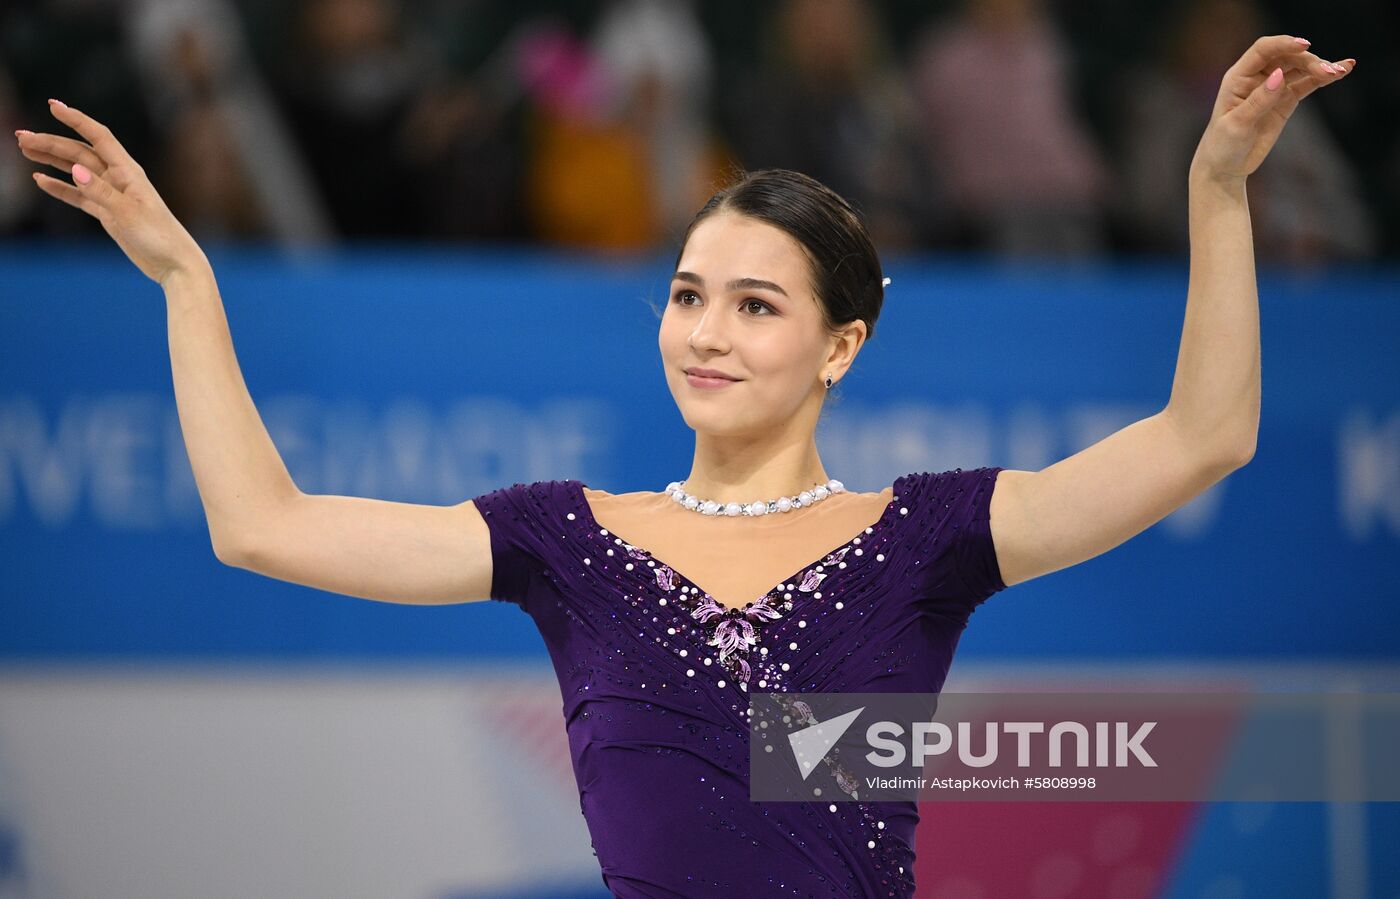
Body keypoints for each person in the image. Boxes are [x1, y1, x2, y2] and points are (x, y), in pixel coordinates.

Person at [12, 34, 1354, 897]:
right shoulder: (563, 545)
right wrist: (187, 280)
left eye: (756, 306)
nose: (706, 333)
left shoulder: (928, 542)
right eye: (688, 293)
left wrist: (1218, 192)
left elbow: (1205, 435)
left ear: (841, 347)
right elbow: (263, 525)